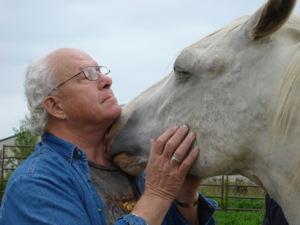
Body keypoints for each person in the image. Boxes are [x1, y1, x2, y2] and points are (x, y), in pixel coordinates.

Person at [0, 48, 217, 225]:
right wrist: (157, 196)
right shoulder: (35, 184)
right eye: (87, 75)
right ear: (56, 106)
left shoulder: (132, 163)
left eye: (100, 71)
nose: (106, 80)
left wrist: (185, 196)